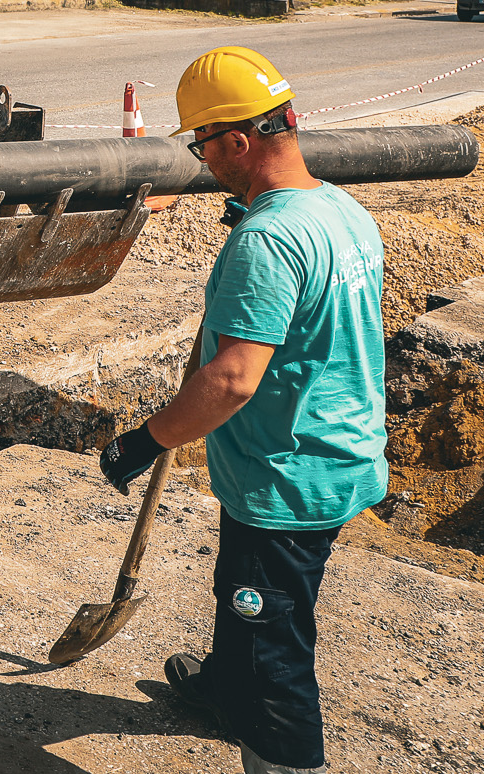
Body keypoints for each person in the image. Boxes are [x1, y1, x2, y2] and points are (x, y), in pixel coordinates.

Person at [97, 45, 387, 774]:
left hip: (286, 479)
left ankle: (269, 729)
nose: (201, 160)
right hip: (336, 451)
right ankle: (226, 686)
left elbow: (231, 380)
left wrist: (144, 441)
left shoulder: (268, 240)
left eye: (202, 145)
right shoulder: (338, 209)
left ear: (237, 141)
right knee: (245, 595)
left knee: (272, 653)